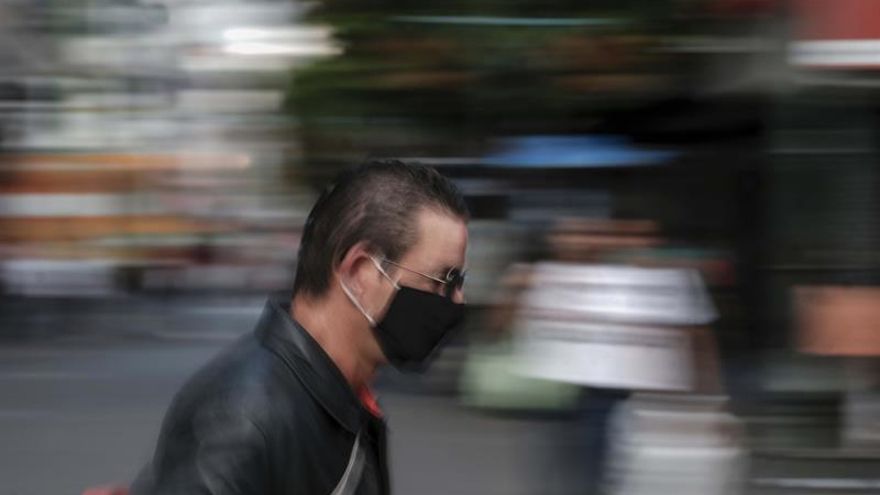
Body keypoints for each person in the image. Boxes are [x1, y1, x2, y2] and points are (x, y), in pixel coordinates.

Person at [129, 160, 469, 495]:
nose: (457, 300)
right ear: (361, 273)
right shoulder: (240, 417)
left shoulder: (343, 397)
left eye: (460, 281)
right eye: (443, 280)